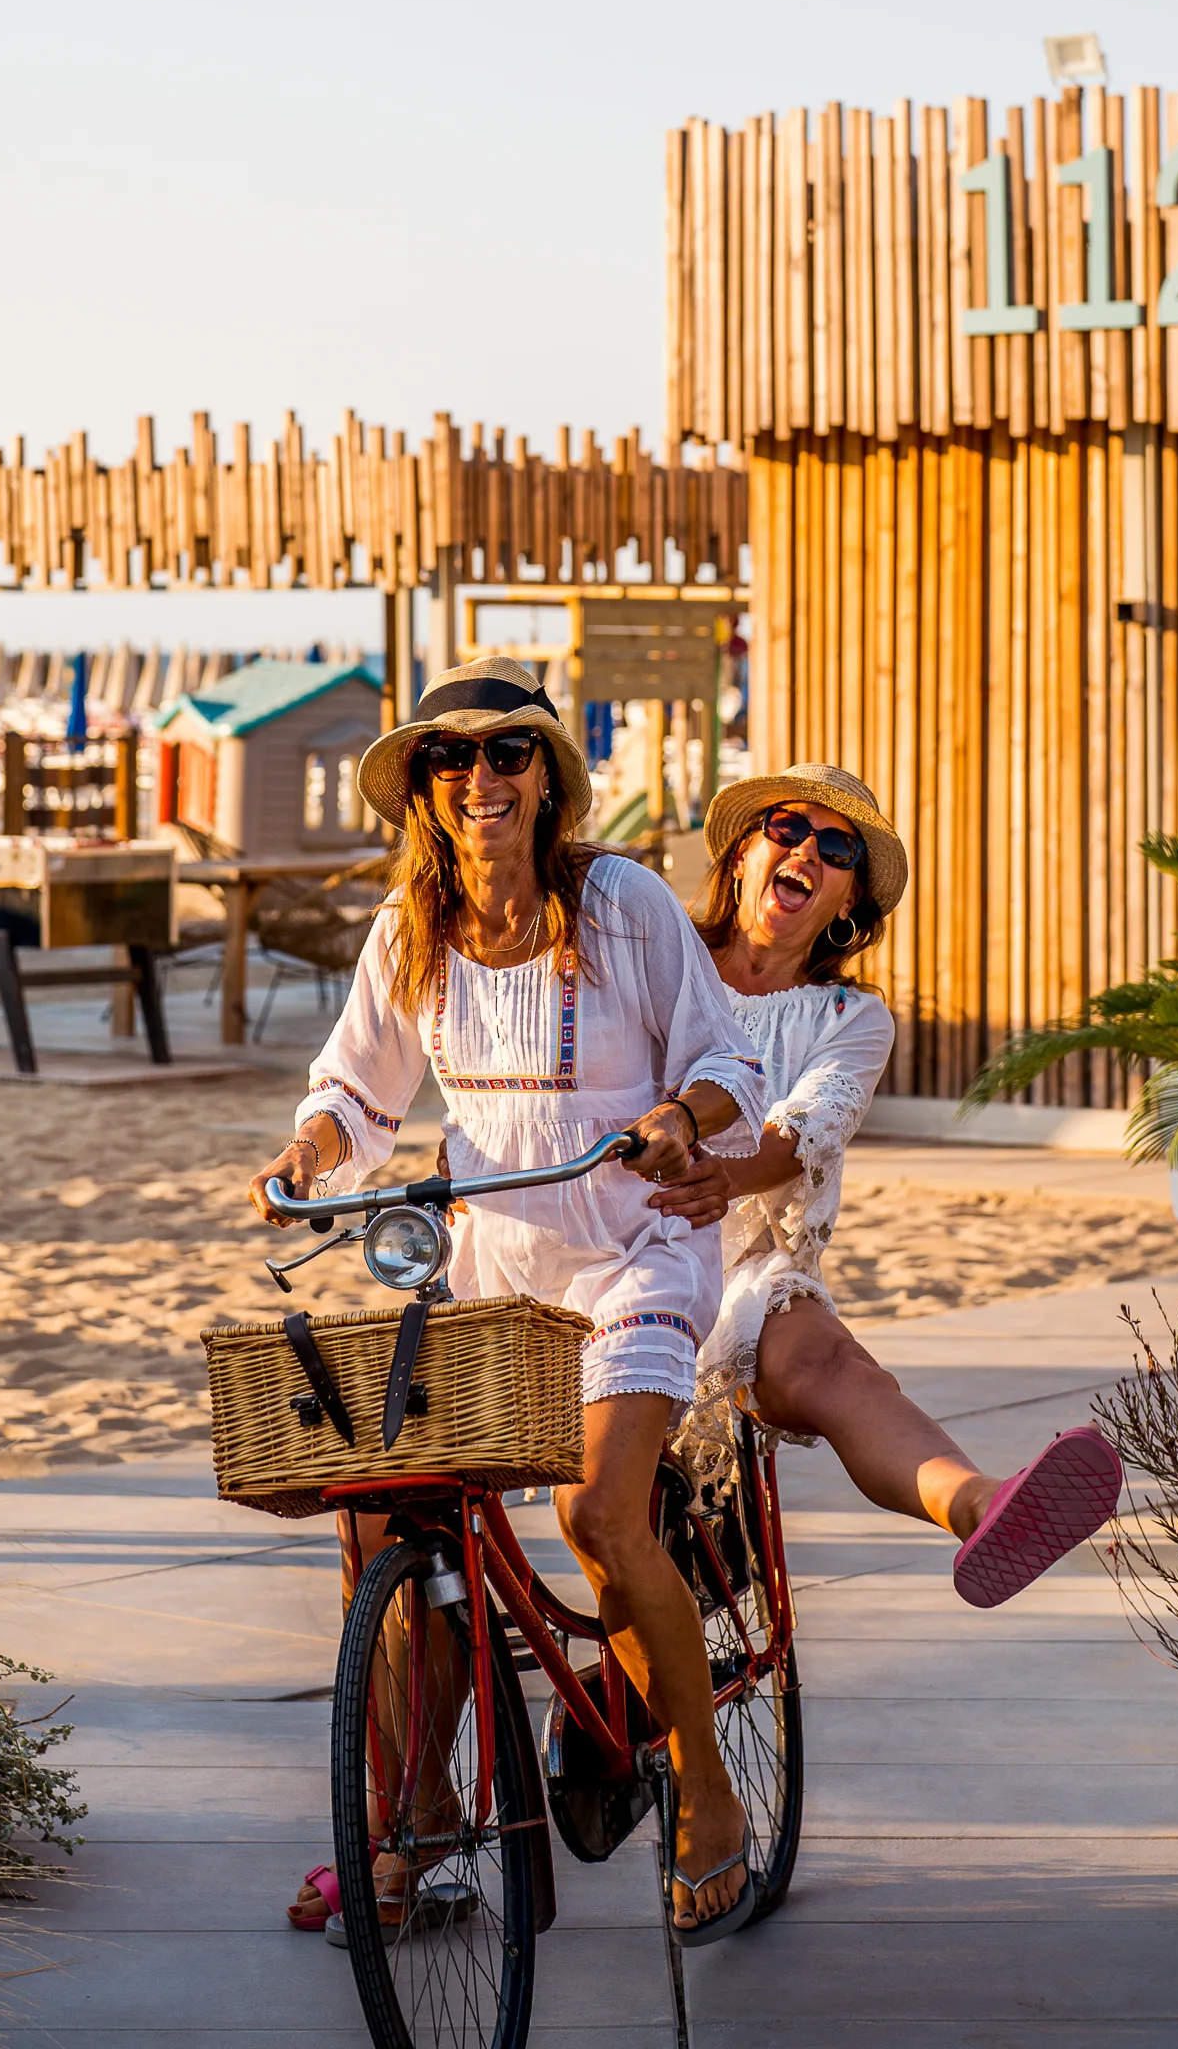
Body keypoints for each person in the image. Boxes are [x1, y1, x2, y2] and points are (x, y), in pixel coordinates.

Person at [252, 657, 769, 1943]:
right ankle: (419, 1813)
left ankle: (707, 1794)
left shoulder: (629, 903)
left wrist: (674, 1115)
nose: (480, 777)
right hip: (490, 1266)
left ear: (546, 777)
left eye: (507, 753)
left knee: (599, 1508)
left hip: (636, 1245)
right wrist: (306, 1157)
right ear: (426, 790)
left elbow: (723, 1062)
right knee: (385, 1532)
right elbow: (355, 1094)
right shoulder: (407, 931)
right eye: (450, 758)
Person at [661, 763, 1121, 1608]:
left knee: (829, 1362)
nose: (806, 851)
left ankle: (982, 1504)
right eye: (787, 829)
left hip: (744, 1265)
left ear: (847, 905)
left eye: (836, 850)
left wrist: (715, 1181)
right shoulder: (658, 961)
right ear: (737, 856)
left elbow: (799, 1136)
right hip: (611, 1235)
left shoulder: (851, 1020)